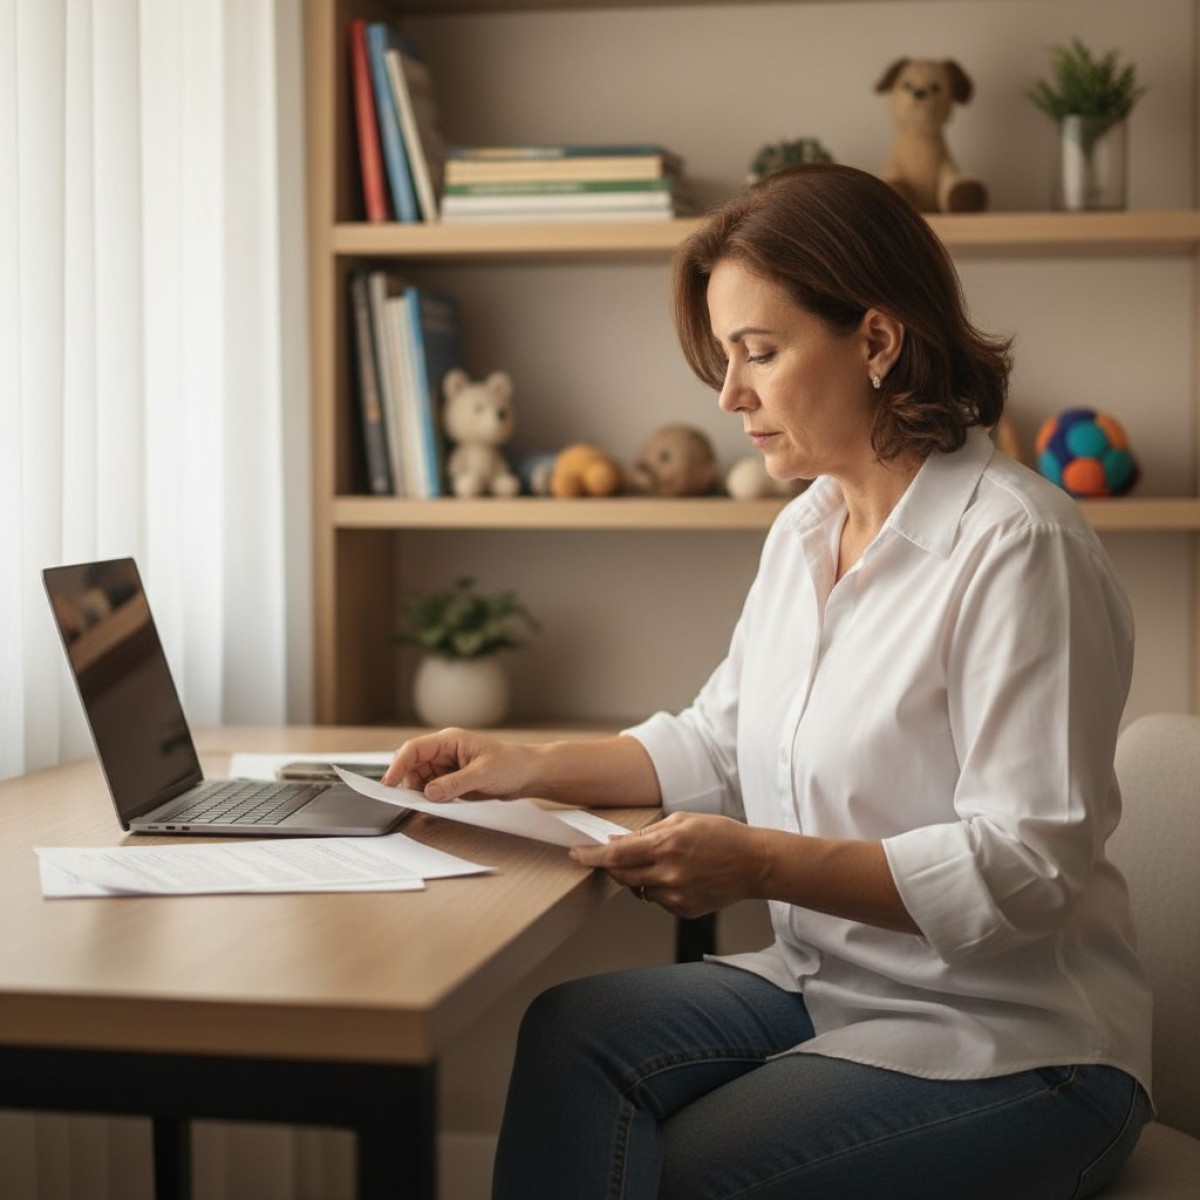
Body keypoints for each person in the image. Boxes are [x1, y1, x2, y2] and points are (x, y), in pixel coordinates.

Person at [384, 163, 1152, 1200]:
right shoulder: (808, 528)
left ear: (876, 342)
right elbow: (719, 740)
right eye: (725, 358)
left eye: (759, 353)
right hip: (832, 988)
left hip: (1019, 1047)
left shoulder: (1018, 545)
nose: (728, 394)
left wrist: (761, 867)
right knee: (574, 1032)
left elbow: (1026, 868)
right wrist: (521, 764)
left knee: (692, 1173)